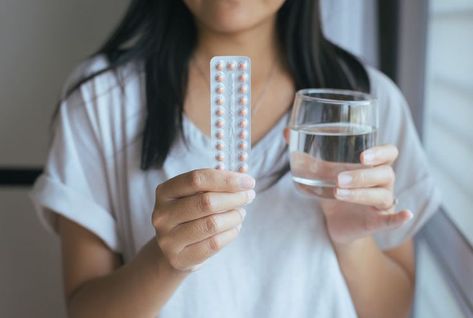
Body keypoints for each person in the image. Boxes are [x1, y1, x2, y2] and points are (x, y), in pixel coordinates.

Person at [30, 1, 440, 317]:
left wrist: (353, 240)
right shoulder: (100, 101)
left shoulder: (370, 103)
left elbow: (392, 309)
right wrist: (166, 259)